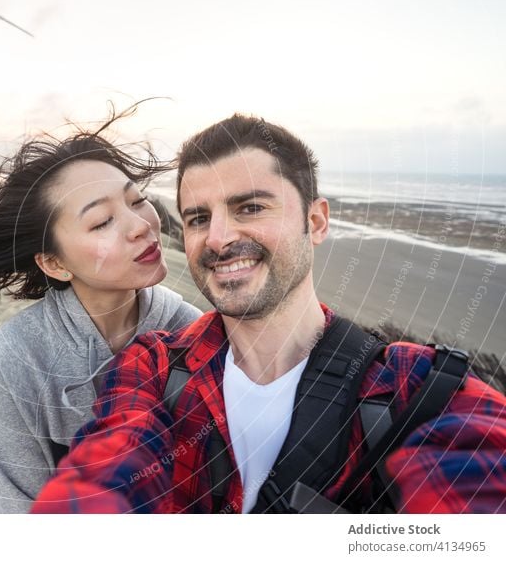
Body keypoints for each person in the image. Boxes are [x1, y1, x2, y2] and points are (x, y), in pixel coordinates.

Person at [31, 113, 506, 514]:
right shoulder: (153, 369)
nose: (217, 238)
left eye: (251, 207)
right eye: (198, 218)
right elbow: (108, 472)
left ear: (315, 221)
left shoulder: (416, 387)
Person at [0, 106, 201, 513]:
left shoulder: (191, 332)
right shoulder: (20, 356)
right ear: (55, 263)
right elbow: (13, 508)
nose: (141, 225)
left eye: (139, 200)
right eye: (101, 222)